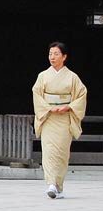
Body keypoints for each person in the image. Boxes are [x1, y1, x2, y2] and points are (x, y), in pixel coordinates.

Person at [32, 42, 87, 199]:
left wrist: (69, 107)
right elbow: (36, 94)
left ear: (64, 57)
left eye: (56, 54)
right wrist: (48, 108)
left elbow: (82, 94)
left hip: (64, 119)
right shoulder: (42, 76)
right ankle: (51, 184)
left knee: (61, 153)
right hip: (49, 118)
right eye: (50, 54)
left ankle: (58, 185)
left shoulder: (72, 77)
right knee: (49, 151)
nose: (52, 57)